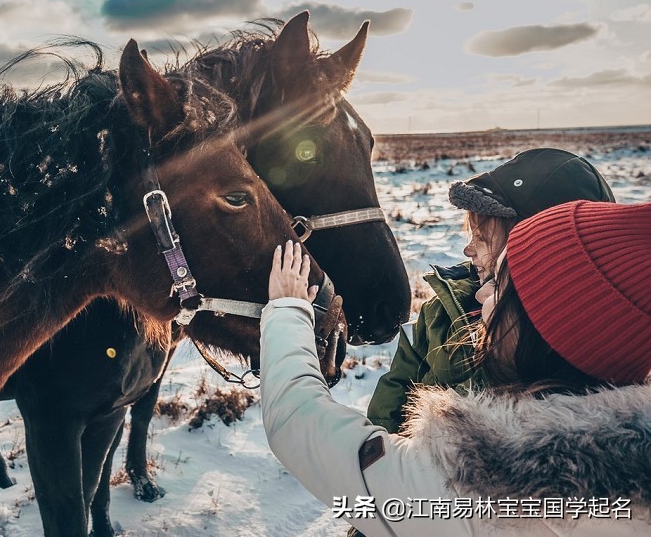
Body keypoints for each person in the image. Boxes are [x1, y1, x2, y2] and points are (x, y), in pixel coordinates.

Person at [260, 200, 651, 536]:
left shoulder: (476, 488)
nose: (479, 291)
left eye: (499, 285)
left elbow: (298, 423)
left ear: (548, 329)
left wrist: (288, 308)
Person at [367, 148, 615, 433]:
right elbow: (387, 415)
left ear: (537, 245)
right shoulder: (442, 311)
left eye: (482, 238)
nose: (467, 249)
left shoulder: (592, 339)